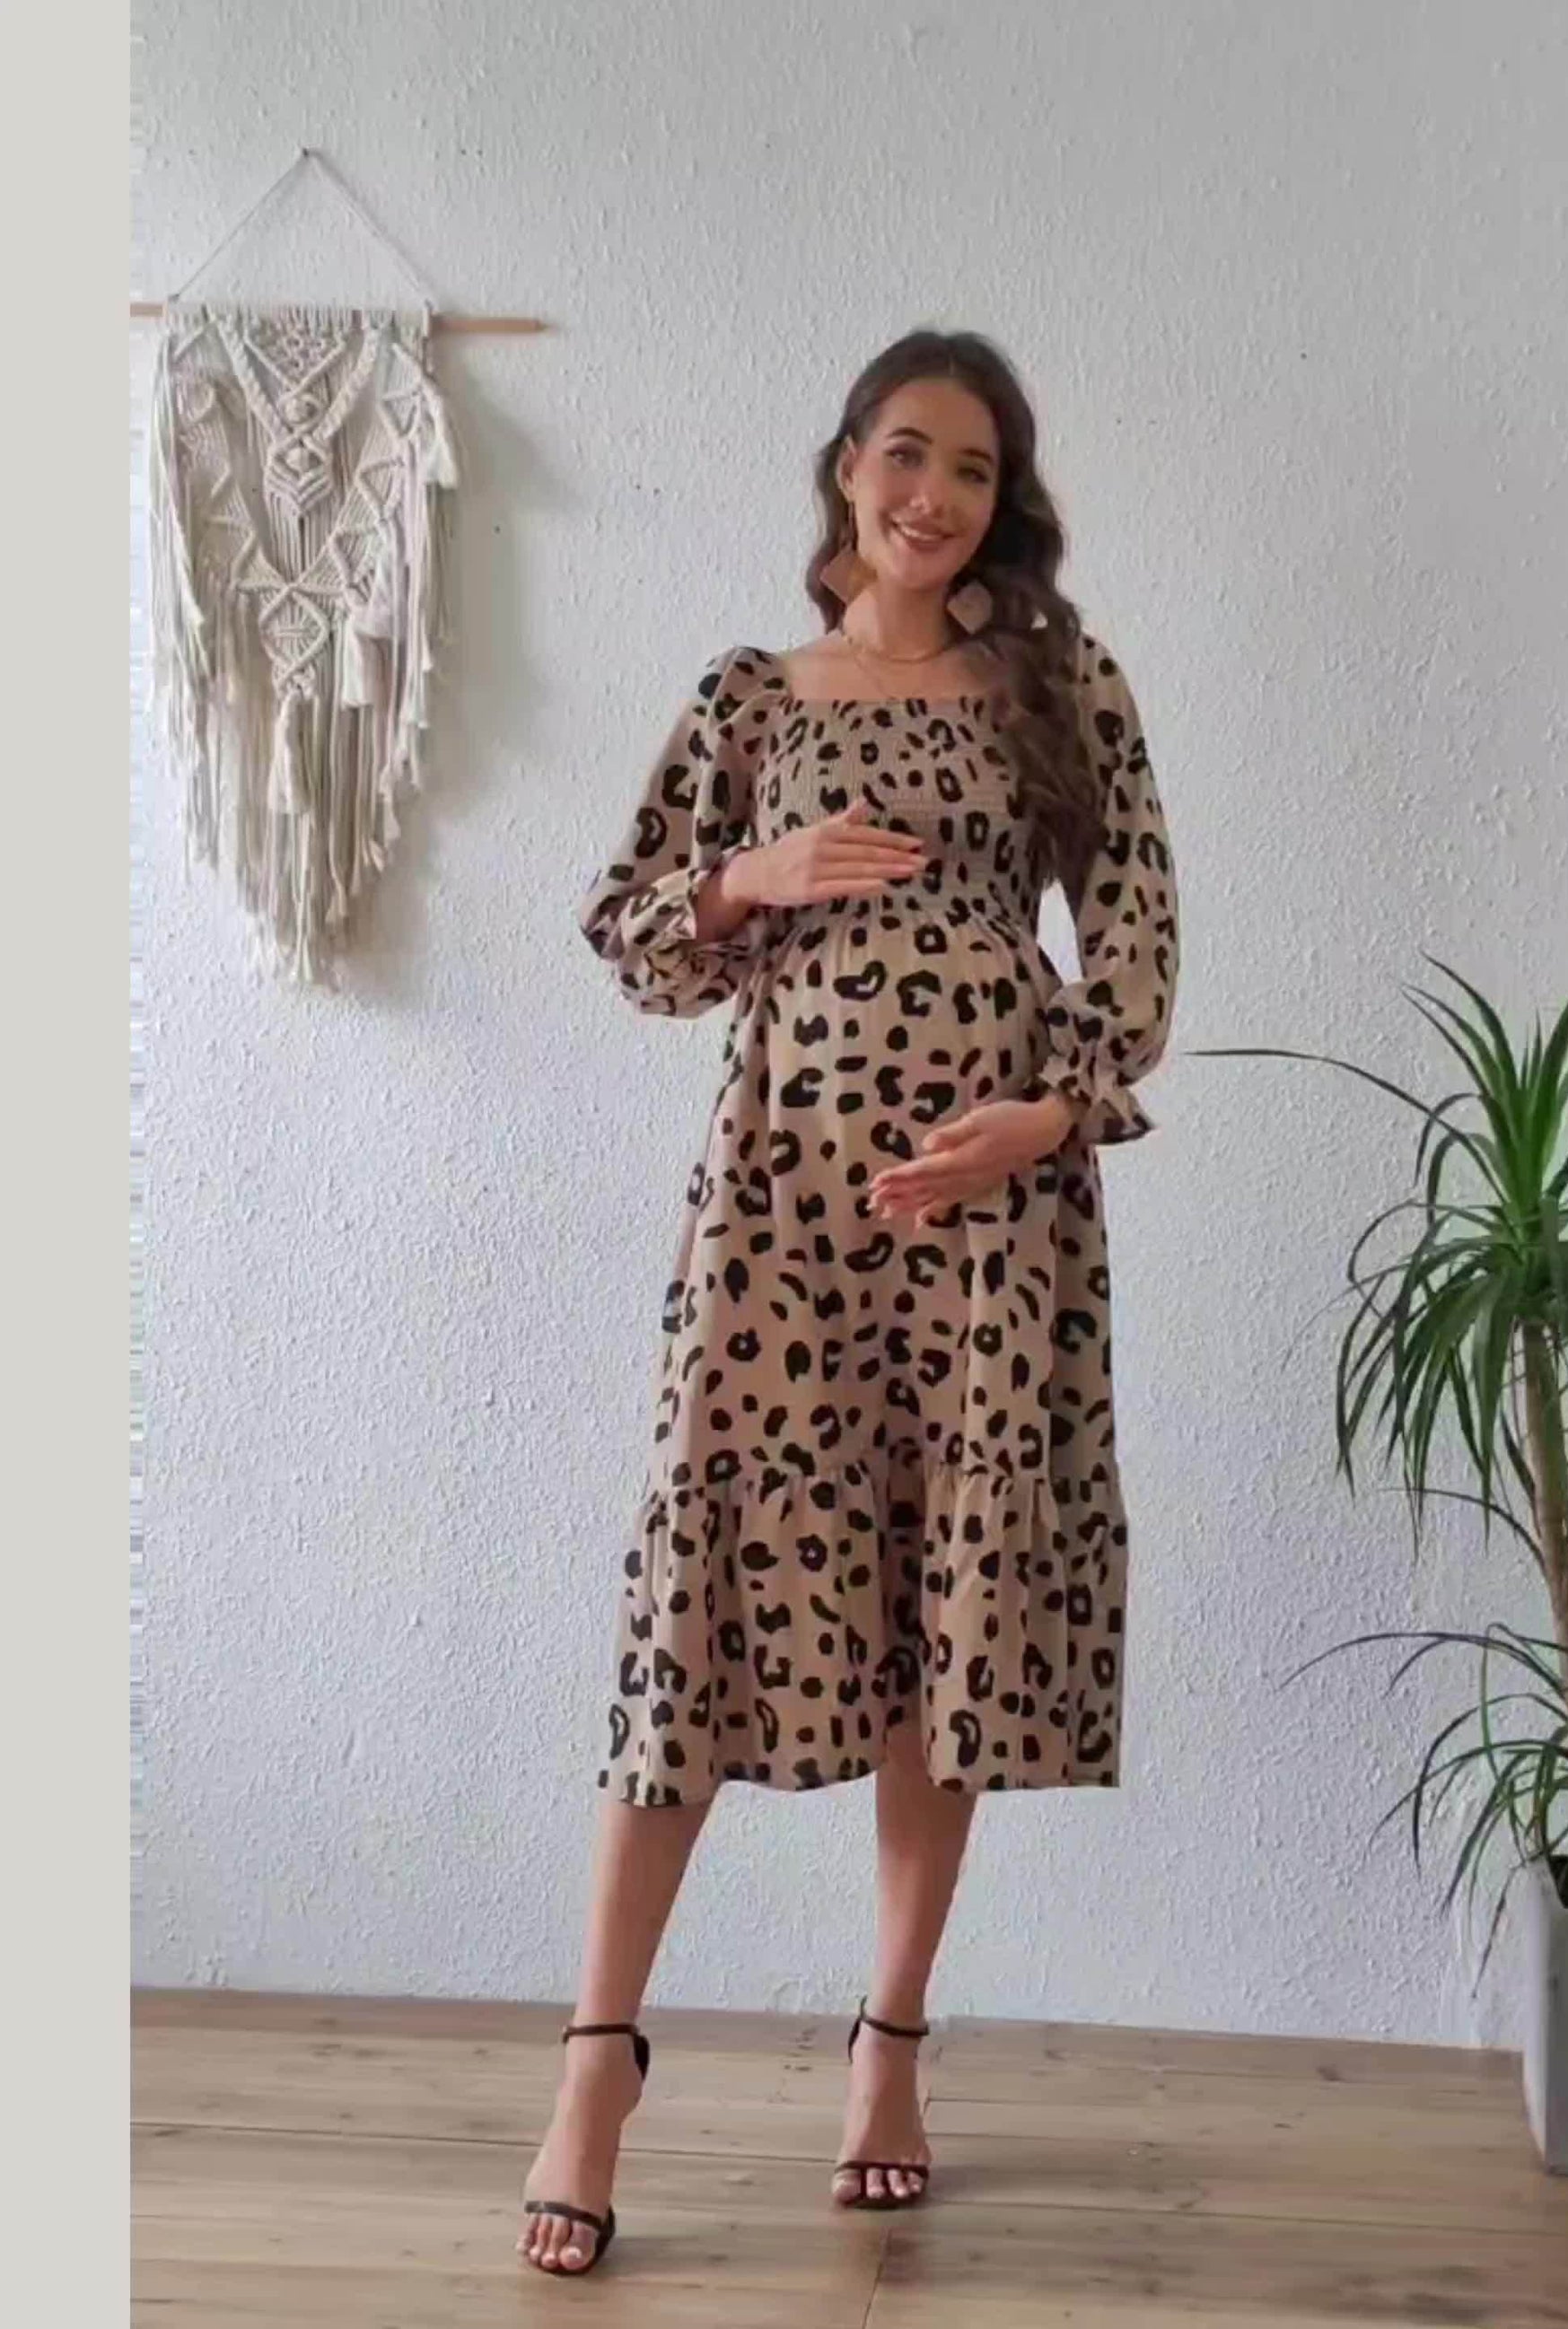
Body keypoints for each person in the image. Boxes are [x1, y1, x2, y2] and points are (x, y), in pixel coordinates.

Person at [519, 328, 1182, 2276]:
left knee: (937, 1621)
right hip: (780, 1219)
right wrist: (754, 874)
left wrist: (1042, 1114)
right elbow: (631, 933)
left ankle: (890, 2045)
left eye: (973, 469)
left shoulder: (1058, 684)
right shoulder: (749, 694)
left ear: (1003, 502)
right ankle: (594, 2062)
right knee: (695, 1607)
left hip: (992, 1226)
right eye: (907, 453)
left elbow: (1138, 939)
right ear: (844, 465)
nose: (934, 496)